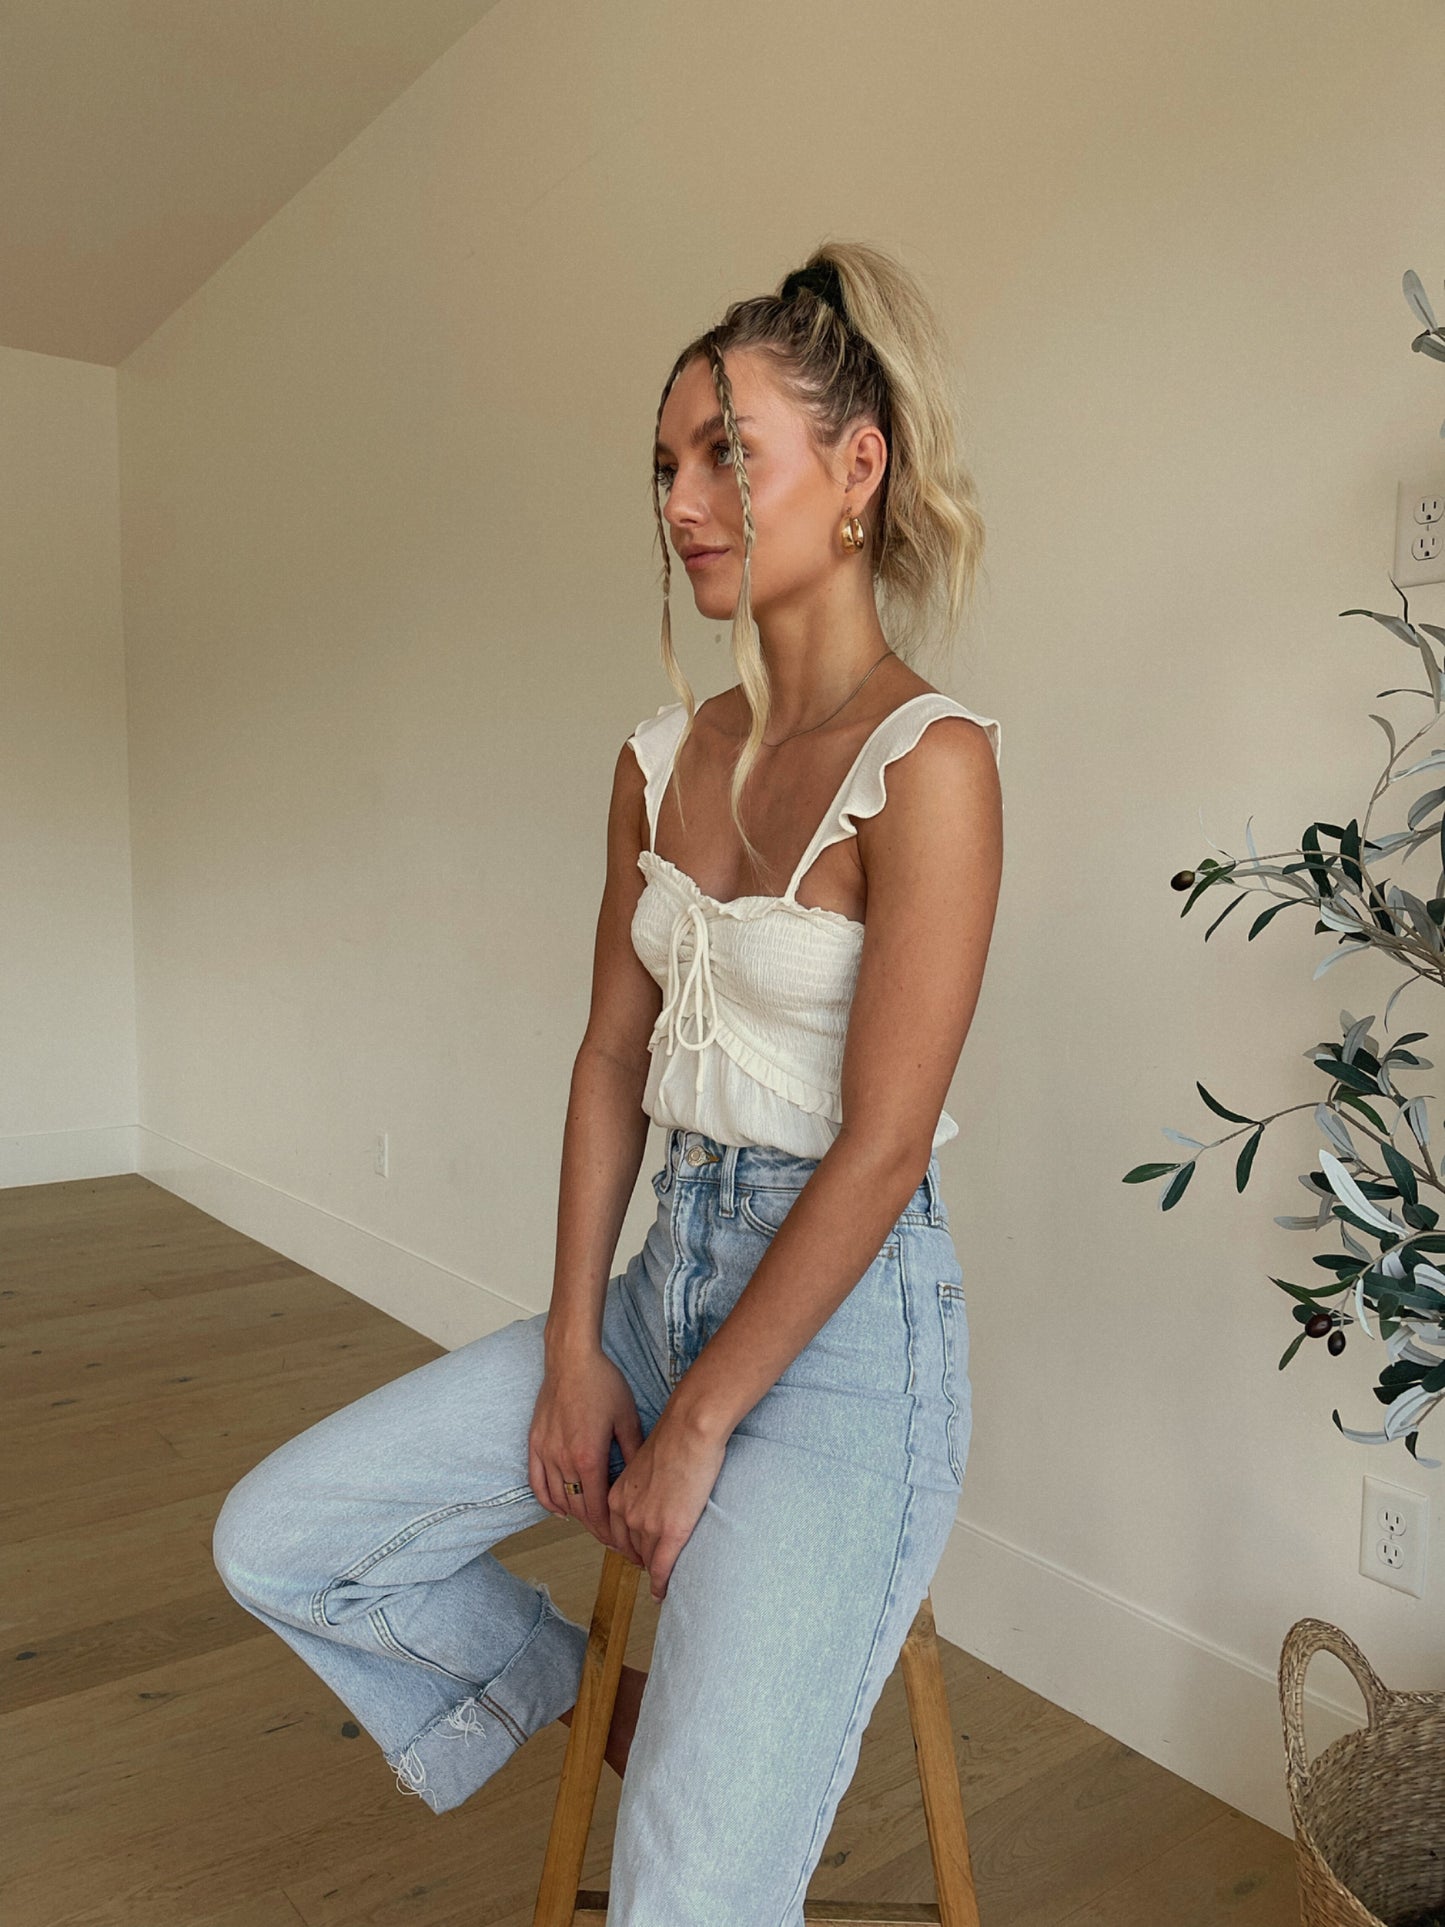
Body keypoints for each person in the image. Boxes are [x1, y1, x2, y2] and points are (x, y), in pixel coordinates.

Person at [211, 239, 1004, 1925]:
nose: (682, 500)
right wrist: (579, 1349)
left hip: (848, 1349)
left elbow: (874, 1154)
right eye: (663, 466)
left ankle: (722, 1784)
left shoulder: (930, 768)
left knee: (679, 1906)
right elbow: (606, 1062)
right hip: (662, 1285)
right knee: (280, 1540)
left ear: (854, 473)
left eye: (724, 454)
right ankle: (621, 1708)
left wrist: (700, 1427)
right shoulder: (662, 760)